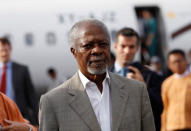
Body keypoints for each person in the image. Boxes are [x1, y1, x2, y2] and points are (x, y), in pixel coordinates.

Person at [39, 19, 155, 131]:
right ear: (74, 52)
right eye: (88, 46)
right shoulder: (53, 102)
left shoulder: (136, 91)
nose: (97, 51)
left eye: (103, 44)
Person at [110, 27, 163, 131]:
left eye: (131, 47)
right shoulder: (102, 76)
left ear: (137, 48)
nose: (127, 51)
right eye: (123, 46)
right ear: (115, 46)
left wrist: (144, 88)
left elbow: (160, 109)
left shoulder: (150, 76)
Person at [0, 37, 38, 125]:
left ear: (10, 49)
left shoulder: (22, 70)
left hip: (19, 117)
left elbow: (31, 96)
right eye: (1, 50)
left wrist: (37, 120)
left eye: (6, 50)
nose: (4, 53)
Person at [161, 49, 191, 131]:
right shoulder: (167, 83)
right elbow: (165, 108)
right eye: (174, 62)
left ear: (186, 61)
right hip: (172, 126)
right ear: (169, 65)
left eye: (179, 61)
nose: (177, 64)